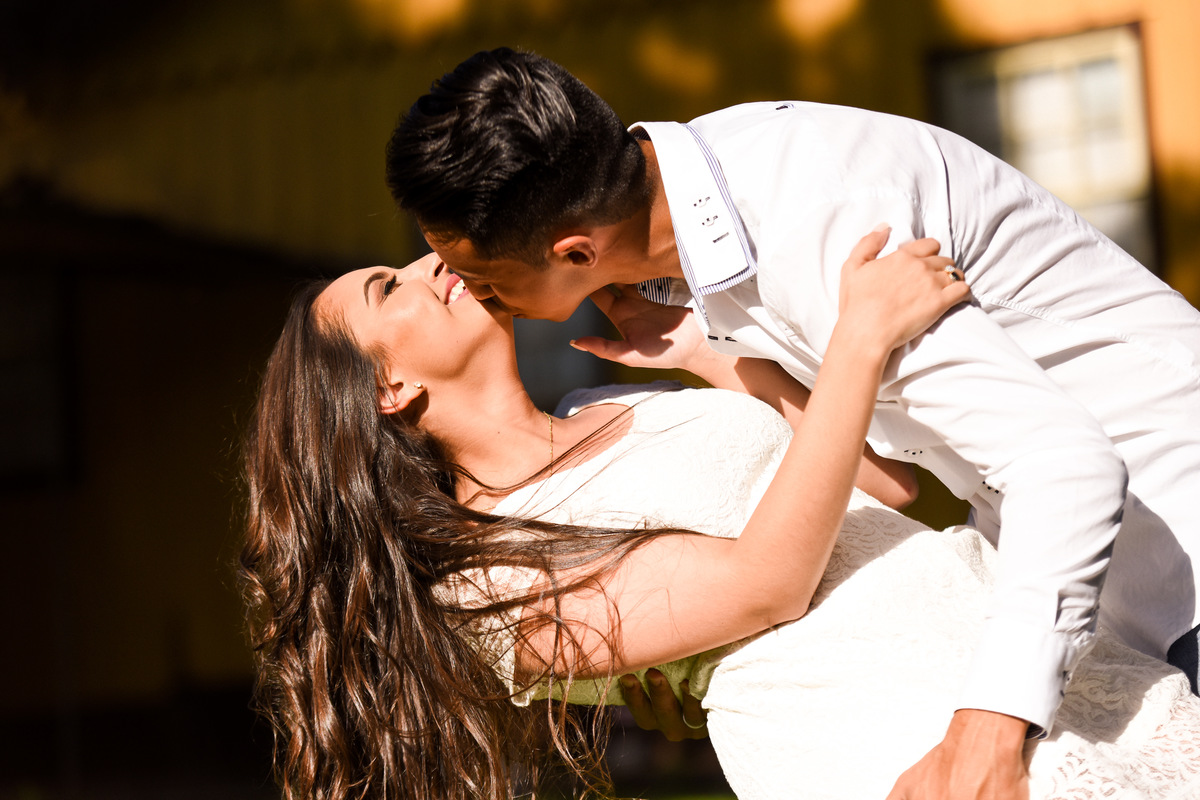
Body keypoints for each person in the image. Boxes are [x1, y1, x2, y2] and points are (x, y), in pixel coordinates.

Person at [384, 47, 1200, 799]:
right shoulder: (708, 227)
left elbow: (1062, 463)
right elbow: (880, 467)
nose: (463, 288)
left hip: (1172, 550)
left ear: (574, 253)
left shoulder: (819, 218)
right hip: (1084, 611)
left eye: (480, 277)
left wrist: (988, 731)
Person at [240, 235, 970, 799]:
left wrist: (699, 351)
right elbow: (767, 583)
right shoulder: (482, 579)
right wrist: (861, 338)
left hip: (989, 638)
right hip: (891, 737)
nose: (431, 258)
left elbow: (883, 484)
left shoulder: (602, 402)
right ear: (387, 388)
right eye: (387, 286)